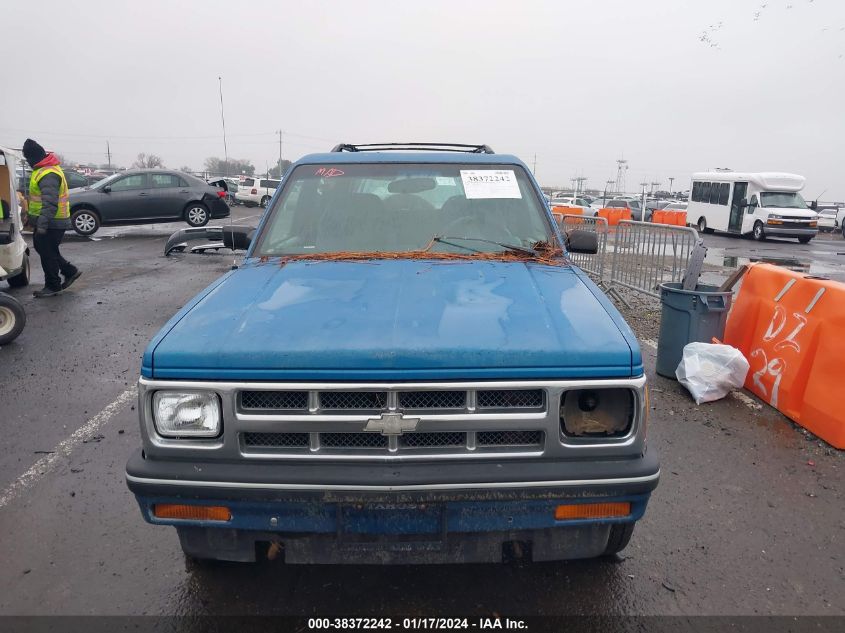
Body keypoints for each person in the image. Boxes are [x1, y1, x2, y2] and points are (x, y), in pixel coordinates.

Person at [22, 138, 81, 297]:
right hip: (49, 221)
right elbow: (38, 200)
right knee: (46, 250)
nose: (27, 162)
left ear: (33, 157)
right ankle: (70, 271)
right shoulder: (43, 170)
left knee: (47, 253)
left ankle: (53, 285)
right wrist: (31, 218)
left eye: (27, 158)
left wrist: (41, 224)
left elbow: (50, 202)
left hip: (52, 222)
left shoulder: (48, 173)